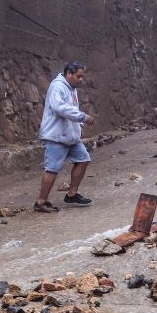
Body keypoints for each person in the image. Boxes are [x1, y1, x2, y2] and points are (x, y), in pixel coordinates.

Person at [34, 61, 94, 212]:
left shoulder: (72, 88)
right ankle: (41, 202)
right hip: (56, 136)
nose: (81, 80)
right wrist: (83, 117)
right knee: (52, 169)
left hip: (70, 135)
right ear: (69, 74)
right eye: (78, 76)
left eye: (82, 77)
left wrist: (79, 127)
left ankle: (72, 194)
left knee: (83, 159)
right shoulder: (57, 86)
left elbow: (73, 108)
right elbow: (59, 108)